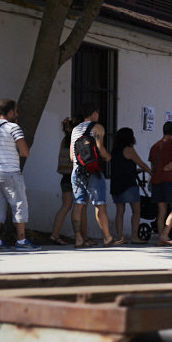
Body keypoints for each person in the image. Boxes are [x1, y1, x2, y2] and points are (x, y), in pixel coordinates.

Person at [0, 98, 38, 251]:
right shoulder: (13, 128)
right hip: (10, 171)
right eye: (16, 111)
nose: (17, 114)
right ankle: (21, 241)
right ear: (10, 112)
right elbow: (25, 152)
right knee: (20, 204)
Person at [70, 105, 122, 248]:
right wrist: (108, 157)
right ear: (94, 113)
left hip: (77, 170)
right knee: (100, 205)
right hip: (93, 171)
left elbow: (71, 155)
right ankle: (107, 238)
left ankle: (79, 239)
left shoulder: (75, 130)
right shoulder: (98, 127)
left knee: (78, 205)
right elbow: (100, 148)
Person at [109, 127, 152, 243]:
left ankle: (119, 237)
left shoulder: (115, 151)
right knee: (136, 210)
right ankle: (134, 236)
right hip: (128, 185)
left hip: (116, 184)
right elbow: (142, 164)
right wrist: (151, 172)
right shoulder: (129, 150)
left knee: (119, 211)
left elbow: (122, 166)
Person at [148, 120, 172, 247]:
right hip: (169, 179)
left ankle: (160, 240)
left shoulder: (155, 146)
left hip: (157, 181)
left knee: (161, 211)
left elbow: (152, 166)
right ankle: (165, 234)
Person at [51, 117, 82, 245]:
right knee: (80, 207)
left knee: (65, 206)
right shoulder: (77, 141)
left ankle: (55, 234)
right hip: (75, 177)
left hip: (65, 177)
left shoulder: (65, 140)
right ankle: (81, 237)